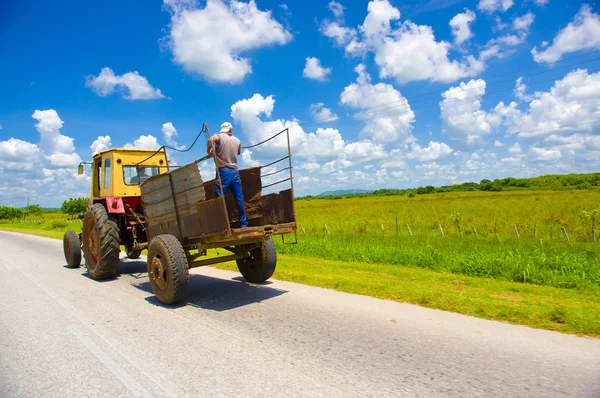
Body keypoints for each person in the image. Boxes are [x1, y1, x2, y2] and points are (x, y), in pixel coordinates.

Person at [207, 122, 248, 227]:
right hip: (235, 172)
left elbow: (210, 140)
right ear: (231, 130)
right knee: (239, 198)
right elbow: (238, 153)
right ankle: (243, 223)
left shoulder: (219, 136)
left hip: (223, 171)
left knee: (220, 198)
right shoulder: (237, 140)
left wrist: (209, 150)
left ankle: (223, 224)